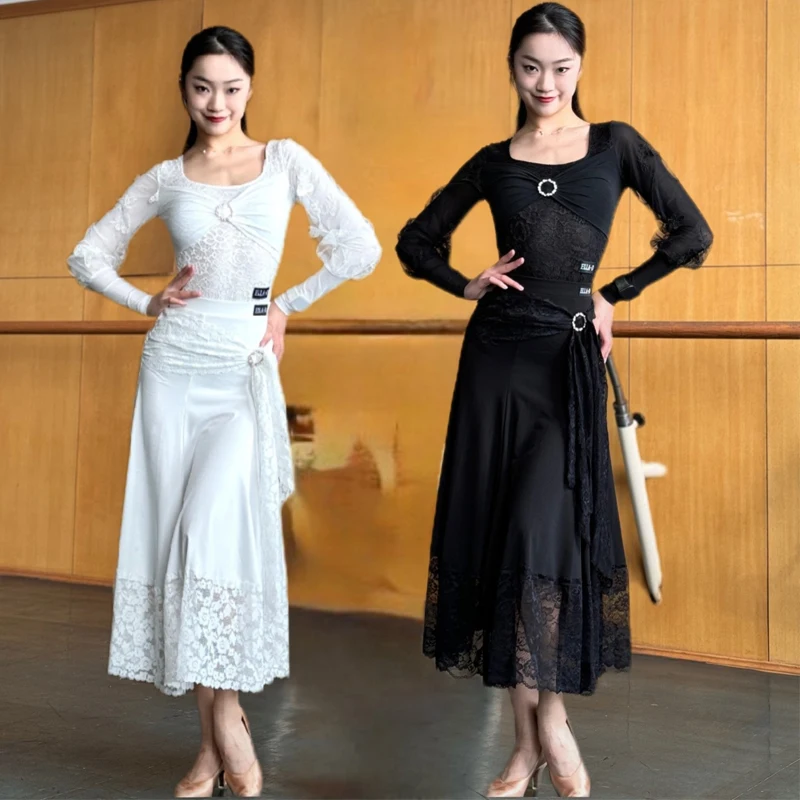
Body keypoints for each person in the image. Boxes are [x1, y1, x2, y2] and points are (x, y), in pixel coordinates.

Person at [395, 3, 711, 797]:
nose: (546, 83)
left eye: (561, 68)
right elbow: (414, 242)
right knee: (506, 541)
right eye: (531, 67)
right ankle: (526, 745)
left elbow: (692, 232)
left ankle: (551, 727)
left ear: (581, 67)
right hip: (494, 367)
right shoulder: (492, 161)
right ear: (512, 68)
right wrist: (463, 283)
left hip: (563, 369)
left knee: (543, 537)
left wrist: (615, 294)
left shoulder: (616, 145)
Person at [67, 26, 380, 798]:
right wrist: (146, 301)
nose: (218, 102)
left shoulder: (286, 162)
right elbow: (87, 256)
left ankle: (227, 725)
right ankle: (214, 745)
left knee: (212, 535)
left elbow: (359, 246)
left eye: (232, 87)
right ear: (184, 89)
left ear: (250, 89)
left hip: (241, 374)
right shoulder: (165, 178)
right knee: (179, 544)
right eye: (203, 87)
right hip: (172, 372)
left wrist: (287, 304)